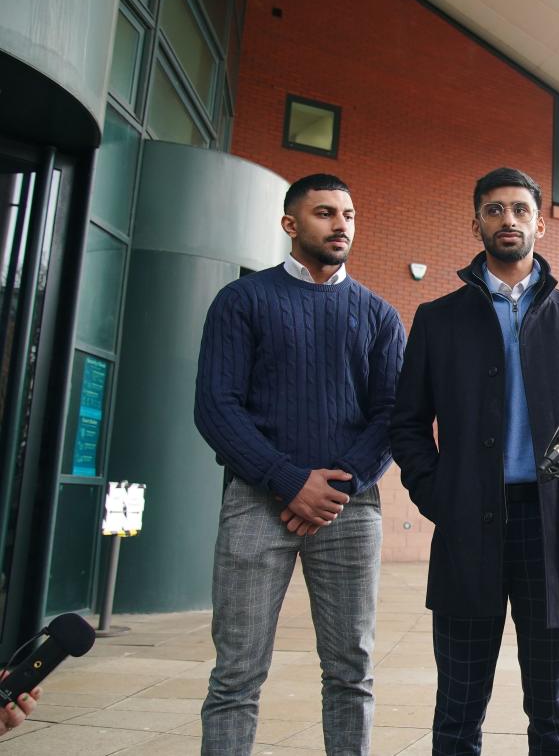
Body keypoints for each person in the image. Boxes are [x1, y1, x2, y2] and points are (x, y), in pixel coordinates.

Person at [389, 167, 559, 755]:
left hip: (554, 532)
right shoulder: (437, 320)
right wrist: (439, 494)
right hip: (470, 529)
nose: (507, 220)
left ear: (540, 222)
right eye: (494, 210)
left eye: (519, 209)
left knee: (553, 711)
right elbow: (408, 423)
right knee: (458, 711)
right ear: (476, 224)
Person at [195, 173, 405, 755]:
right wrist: (291, 482)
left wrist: (333, 487)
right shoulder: (242, 300)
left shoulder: (380, 315)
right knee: (236, 673)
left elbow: (391, 416)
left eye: (349, 214)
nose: (341, 224)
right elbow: (216, 406)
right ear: (291, 224)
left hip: (349, 509)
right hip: (256, 502)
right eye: (325, 213)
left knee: (351, 671)